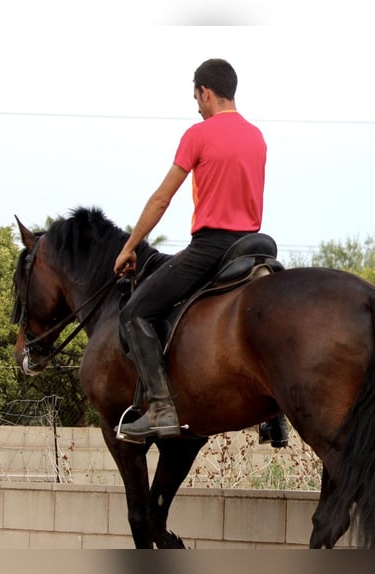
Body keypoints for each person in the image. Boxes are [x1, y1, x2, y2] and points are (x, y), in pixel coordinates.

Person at [113, 58, 285, 444]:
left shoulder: (198, 134)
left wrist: (129, 246)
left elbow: (161, 200)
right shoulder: (257, 136)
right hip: (252, 248)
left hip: (213, 248)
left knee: (136, 312)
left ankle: (159, 408)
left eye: (196, 98)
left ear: (206, 92)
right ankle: (275, 415)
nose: (197, 106)